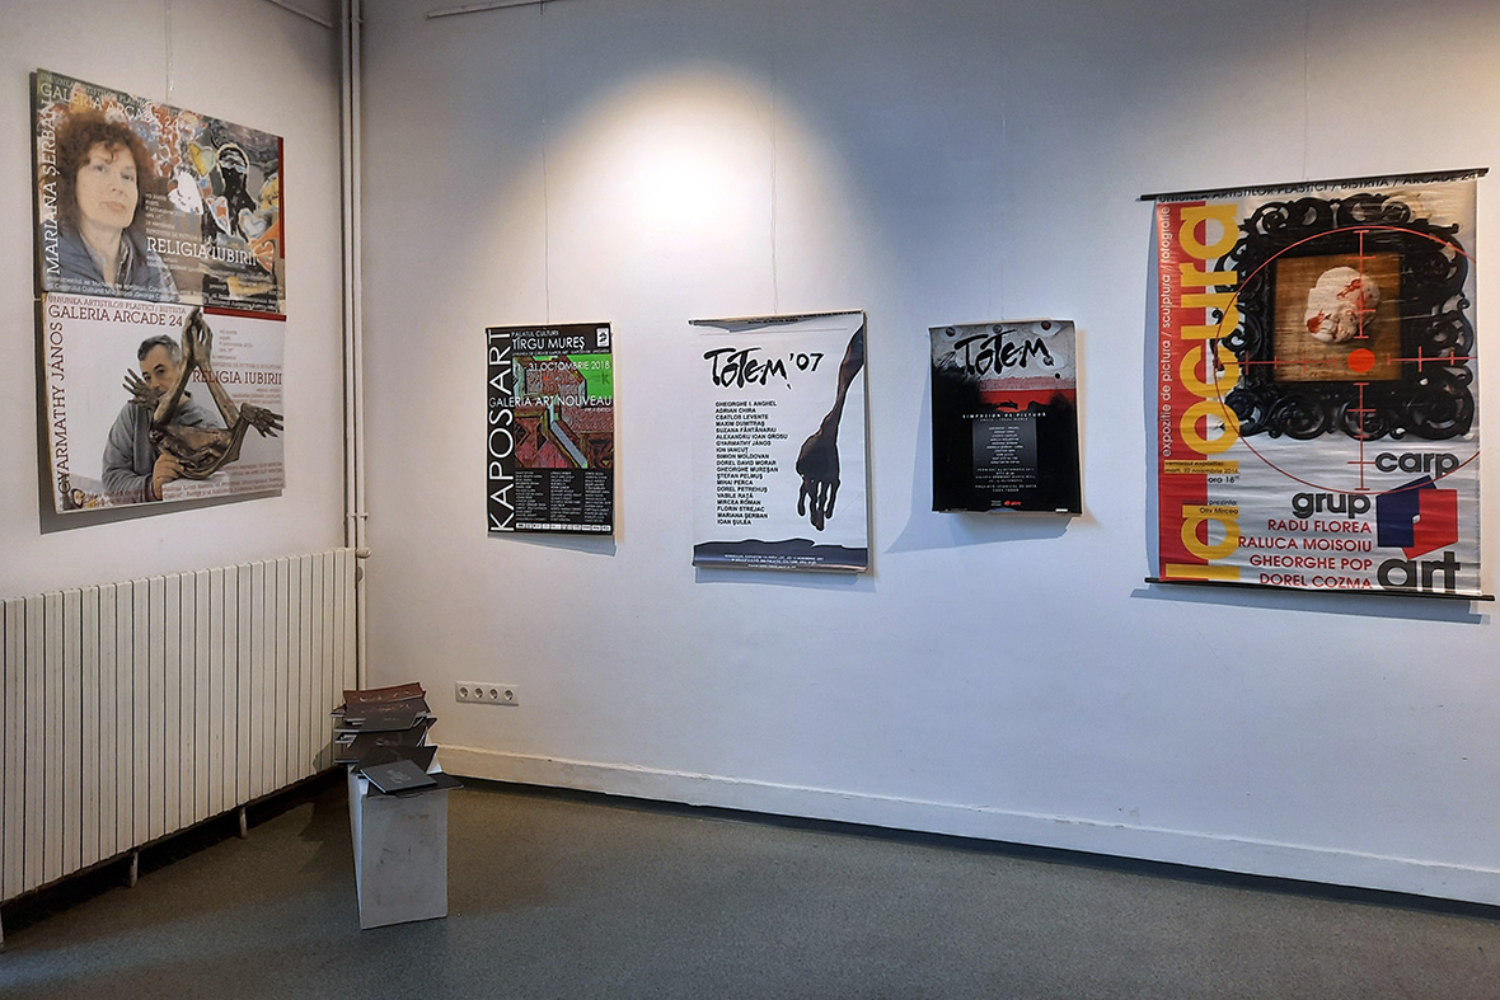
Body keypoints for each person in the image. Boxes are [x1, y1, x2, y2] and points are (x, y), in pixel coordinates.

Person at [51, 109, 176, 300]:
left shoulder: (154, 265)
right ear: (70, 180)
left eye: (127, 176)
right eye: (100, 169)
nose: (118, 187)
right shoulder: (46, 253)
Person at [102, 334, 222, 503]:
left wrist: (170, 411)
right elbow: (111, 479)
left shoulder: (207, 423)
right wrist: (151, 488)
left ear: (181, 368)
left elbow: (207, 489)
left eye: (160, 372)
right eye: (147, 377)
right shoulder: (133, 413)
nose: (154, 385)